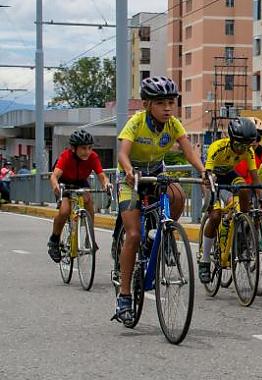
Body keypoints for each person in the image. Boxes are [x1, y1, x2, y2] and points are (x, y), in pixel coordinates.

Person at [113, 76, 207, 324]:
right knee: (133, 235)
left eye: (171, 102)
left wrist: (203, 170)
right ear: (147, 105)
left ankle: (162, 233)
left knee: (177, 195)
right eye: (161, 103)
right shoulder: (136, 122)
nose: (167, 108)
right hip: (130, 178)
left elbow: (188, 149)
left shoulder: (173, 124)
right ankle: (124, 296)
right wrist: (129, 170)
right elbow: (123, 153)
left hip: (155, 173)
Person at [198, 117, 261, 283]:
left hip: (230, 175)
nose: (242, 149)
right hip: (212, 178)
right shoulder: (217, 148)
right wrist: (210, 198)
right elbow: (207, 174)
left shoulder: (248, 151)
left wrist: (261, 196)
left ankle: (242, 222)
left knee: (245, 188)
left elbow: (255, 178)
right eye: (239, 145)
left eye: (246, 145)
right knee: (215, 215)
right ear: (231, 139)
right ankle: (204, 260)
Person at [47, 130, 111, 262]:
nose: (87, 151)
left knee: (88, 200)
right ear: (73, 148)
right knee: (64, 211)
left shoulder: (93, 157)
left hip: (80, 181)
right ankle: (54, 240)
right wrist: (55, 186)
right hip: (64, 182)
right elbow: (55, 175)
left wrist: (106, 184)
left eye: (89, 148)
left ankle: (89, 236)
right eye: (83, 148)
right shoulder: (66, 156)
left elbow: (101, 175)